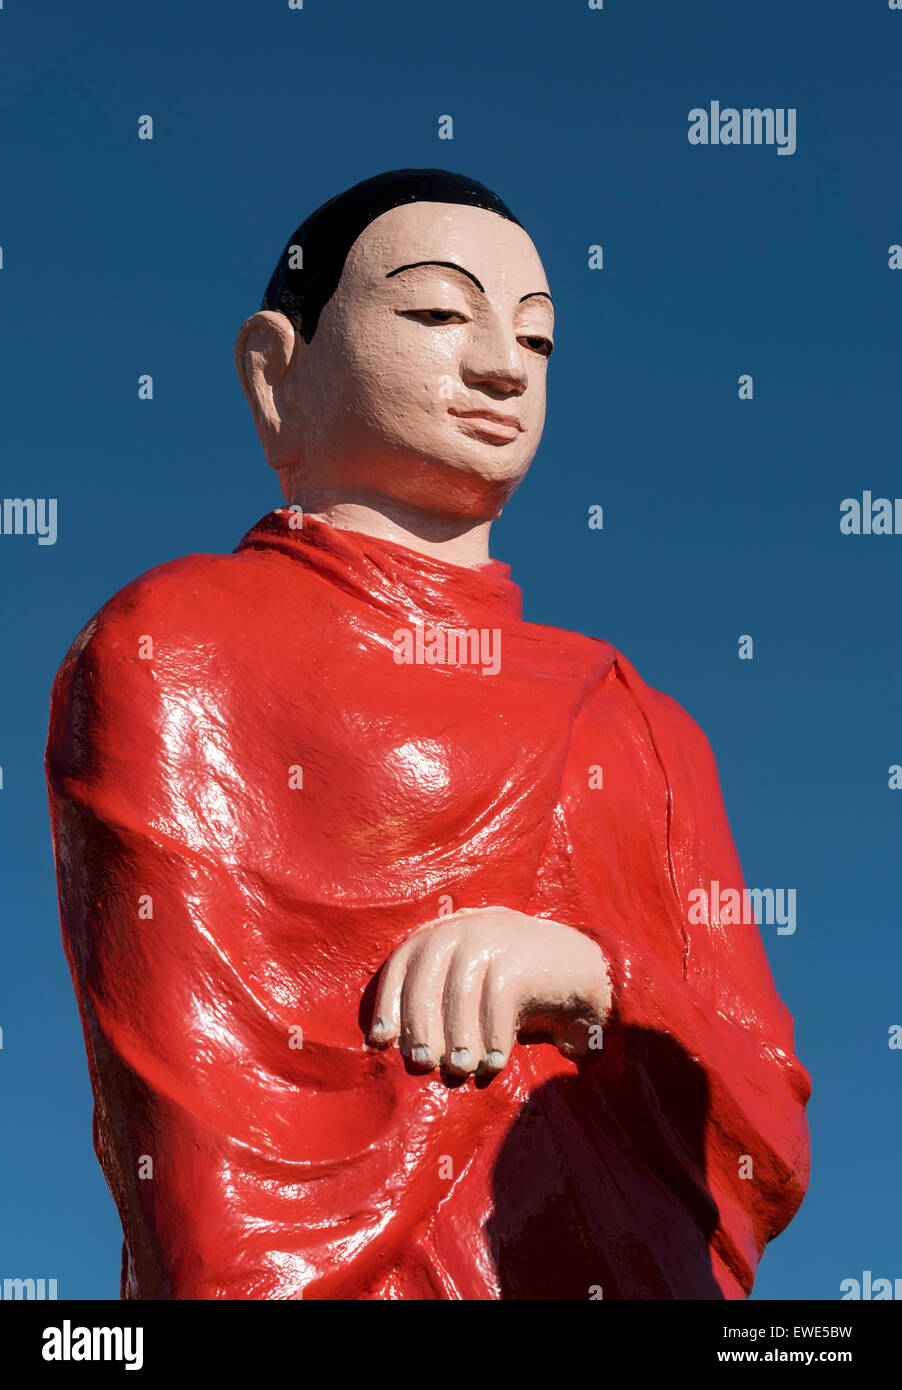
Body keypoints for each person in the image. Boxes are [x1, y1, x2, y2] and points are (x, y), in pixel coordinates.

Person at [46, 168, 810, 1300]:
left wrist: (599, 982)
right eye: (438, 313)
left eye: (538, 342)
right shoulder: (178, 645)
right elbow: (195, 1143)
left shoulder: (641, 723)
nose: (502, 365)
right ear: (276, 374)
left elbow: (767, 1130)